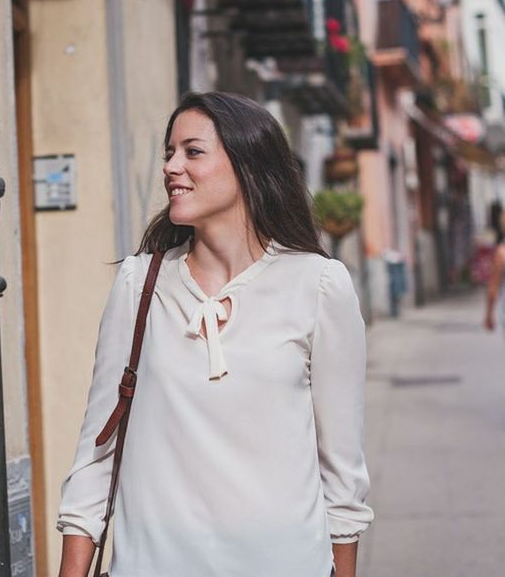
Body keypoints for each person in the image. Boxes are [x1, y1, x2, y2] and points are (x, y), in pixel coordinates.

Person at [57, 92, 373, 577]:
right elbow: (97, 455)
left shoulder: (318, 286)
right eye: (169, 152)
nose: (171, 167)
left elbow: (342, 471)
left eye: (192, 151)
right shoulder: (139, 285)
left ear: (247, 165)